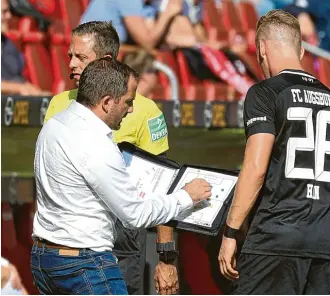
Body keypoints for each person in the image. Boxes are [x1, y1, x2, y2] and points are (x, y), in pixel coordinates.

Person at [31, 57, 212, 295]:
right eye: (128, 102)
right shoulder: (97, 144)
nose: (131, 109)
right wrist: (186, 196)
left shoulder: (53, 125)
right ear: (107, 102)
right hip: (84, 264)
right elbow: (134, 215)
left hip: (44, 259)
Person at [218, 10, 330, 294]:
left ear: (262, 49)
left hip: (275, 239)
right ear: (301, 50)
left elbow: (256, 167)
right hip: (322, 244)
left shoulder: (265, 93)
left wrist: (230, 232)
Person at [43, 21, 176, 295]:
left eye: (81, 57)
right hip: (69, 244)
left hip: (123, 243)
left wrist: (165, 258)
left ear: (104, 61)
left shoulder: (145, 111)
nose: (71, 64)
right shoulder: (57, 105)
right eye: (70, 56)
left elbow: (161, 185)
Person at [1, 0, 50, 96]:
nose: (9, 16)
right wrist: (19, 88)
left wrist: (39, 94)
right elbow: (19, 86)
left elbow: (16, 79)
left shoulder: (7, 44)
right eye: (4, 12)